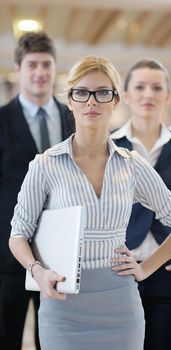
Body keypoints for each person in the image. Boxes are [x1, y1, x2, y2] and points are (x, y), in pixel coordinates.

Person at [9, 55, 171, 350]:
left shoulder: (133, 165)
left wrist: (145, 268)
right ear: (70, 100)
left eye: (102, 93)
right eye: (81, 93)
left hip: (120, 305)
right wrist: (37, 271)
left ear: (116, 100)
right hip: (62, 305)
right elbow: (18, 235)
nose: (91, 102)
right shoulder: (45, 165)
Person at [111, 58, 171, 350]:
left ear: (168, 95)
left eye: (157, 87)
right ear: (126, 95)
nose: (148, 94)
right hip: (122, 270)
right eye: (139, 87)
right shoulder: (109, 147)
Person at [0, 31, 73, 350]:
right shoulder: (1, 121)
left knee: (57, 342)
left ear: (56, 68)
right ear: (18, 69)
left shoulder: (74, 120)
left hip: (63, 257)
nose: (40, 72)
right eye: (32, 65)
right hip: (7, 260)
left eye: (47, 64)